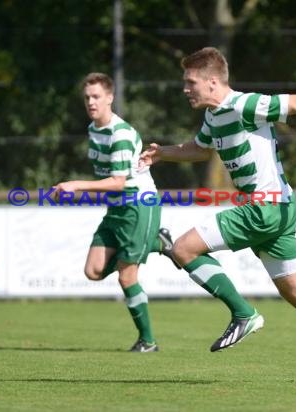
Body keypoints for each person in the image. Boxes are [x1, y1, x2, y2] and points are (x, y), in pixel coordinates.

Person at [139, 47, 296, 383]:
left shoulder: (243, 105)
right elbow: (200, 149)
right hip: (278, 209)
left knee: (182, 248)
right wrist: (162, 153)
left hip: (264, 208)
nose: (185, 89)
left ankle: (243, 313)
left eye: (190, 82)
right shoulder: (213, 116)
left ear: (212, 81)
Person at [52, 72, 175, 353]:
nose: (91, 102)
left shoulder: (120, 134)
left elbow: (119, 182)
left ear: (110, 97)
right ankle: (157, 242)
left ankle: (148, 342)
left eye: (96, 97)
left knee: (126, 276)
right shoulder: (94, 129)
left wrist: (76, 185)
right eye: (87, 98)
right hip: (117, 207)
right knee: (93, 270)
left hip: (137, 204)